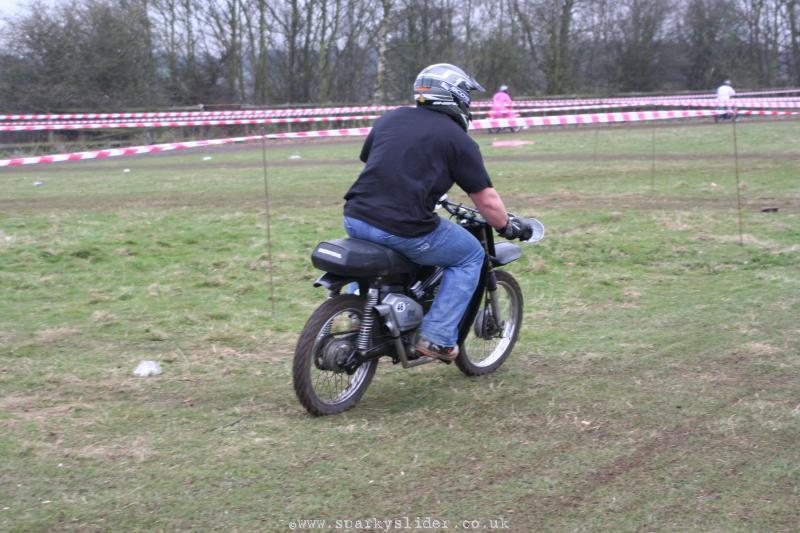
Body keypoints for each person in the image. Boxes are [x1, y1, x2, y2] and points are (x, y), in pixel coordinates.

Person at [342, 63, 532, 362]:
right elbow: (486, 200)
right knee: (470, 256)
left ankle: (361, 313)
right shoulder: (457, 139)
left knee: (392, 245)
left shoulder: (391, 118)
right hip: (402, 225)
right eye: (466, 94)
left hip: (356, 216)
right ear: (454, 96)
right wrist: (507, 226)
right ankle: (437, 338)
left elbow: (373, 157)